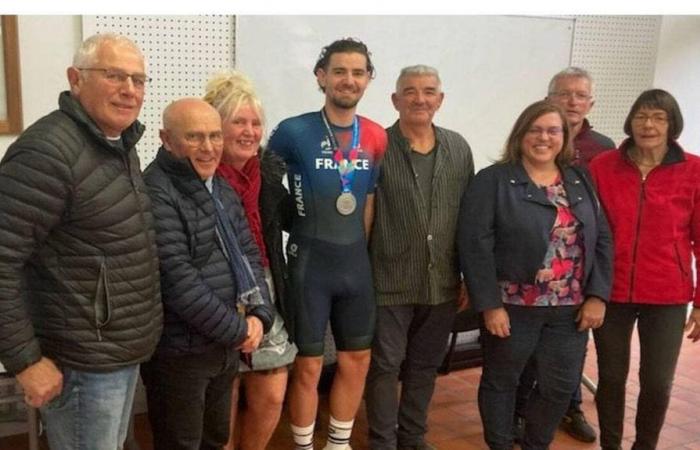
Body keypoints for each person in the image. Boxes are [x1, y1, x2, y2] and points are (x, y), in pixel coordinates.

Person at [0, 33, 163, 450]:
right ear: (76, 79)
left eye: (138, 79)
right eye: (114, 75)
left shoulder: (118, 145)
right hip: (79, 363)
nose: (130, 89)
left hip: (115, 354)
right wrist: (25, 361)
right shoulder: (48, 153)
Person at [458, 100, 613, 450]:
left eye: (553, 130)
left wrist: (598, 294)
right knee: (502, 382)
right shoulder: (493, 180)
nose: (544, 137)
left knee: (558, 386)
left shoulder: (578, 178)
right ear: (521, 134)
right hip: (512, 307)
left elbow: (601, 236)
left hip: (570, 308)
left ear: (564, 136)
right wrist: (489, 305)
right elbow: (474, 244)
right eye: (536, 129)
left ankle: (535, 445)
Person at [267, 38, 387, 450]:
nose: (348, 80)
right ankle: (303, 445)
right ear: (322, 76)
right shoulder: (292, 131)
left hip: (355, 264)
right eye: (339, 71)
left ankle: (338, 443)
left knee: (358, 360)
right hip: (309, 265)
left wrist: (362, 255)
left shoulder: (373, 136)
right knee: (308, 365)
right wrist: (291, 223)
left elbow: (366, 201)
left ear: (368, 79)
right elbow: (264, 189)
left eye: (357, 72)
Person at [139, 98, 273, 450]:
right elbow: (177, 281)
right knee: (181, 443)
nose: (209, 147)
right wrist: (238, 330)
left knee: (214, 438)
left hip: (222, 346)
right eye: (195, 137)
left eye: (215, 136)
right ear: (166, 139)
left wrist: (260, 314)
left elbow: (248, 254)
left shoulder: (219, 187)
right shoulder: (155, 192)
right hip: (179, 353)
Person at [365, 64, 473, 450]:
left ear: (440, 100)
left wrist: (466, 277)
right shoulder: (375, 146)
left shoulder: (459, 148)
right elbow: (366, 214)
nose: (420, 99)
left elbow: (467, 218)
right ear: (395, 100)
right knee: (384, 365)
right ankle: (382, 442)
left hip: (442, 280)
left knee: (424, 365)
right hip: (388, 279)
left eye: (428, 91)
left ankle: (413, 438)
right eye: (409, 91)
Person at [588, 89, 700, 450]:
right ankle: (610, 445)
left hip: (667, 293)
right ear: (630, 121)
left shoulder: (695, 171)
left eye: (658, 117)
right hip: (611, 291)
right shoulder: (603, 166)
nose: (648, 124)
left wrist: (699, 301)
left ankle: (645, 446)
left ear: (672, 125)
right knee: (611, 376)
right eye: (641, 116)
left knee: (657, 381)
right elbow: (590, 233)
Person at [515, 66, 616, 443]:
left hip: (579, 271)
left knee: (569, 354)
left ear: (590, 102)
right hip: (532, 274)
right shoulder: (531, 140)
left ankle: (570, 408)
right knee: (524, 357)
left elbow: (605, 216)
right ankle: (521, 414)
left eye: (580, 95)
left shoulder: (604, 150)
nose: (572, 101)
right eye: (563, 94)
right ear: (549, 98)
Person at [203, 71, 298, 450]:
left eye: (255, 123)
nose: (249, 131)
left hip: (265, 286)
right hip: (217, 293)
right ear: (216, 126)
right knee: (223, 389)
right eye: (238, 122)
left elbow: (292, 220)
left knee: (273, 387)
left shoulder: (270, 172)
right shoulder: (197, 174)